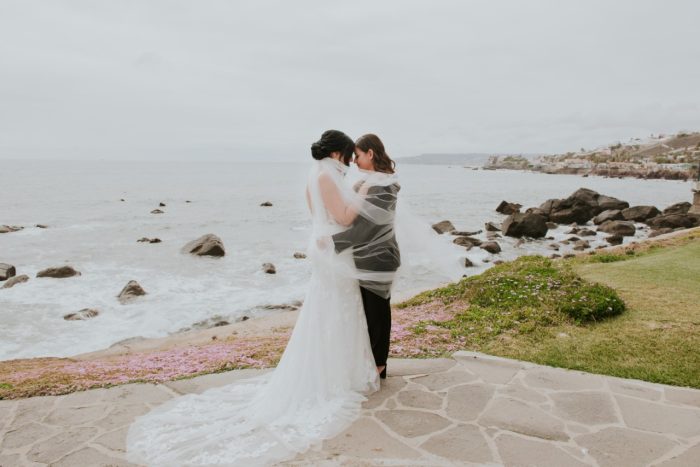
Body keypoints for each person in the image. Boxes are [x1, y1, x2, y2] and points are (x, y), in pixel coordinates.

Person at [126, 130, 381, 466]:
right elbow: (344, 218)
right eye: (348, 156)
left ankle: (337, 371)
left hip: (325, 252)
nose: (349, 162)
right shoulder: (327, 177)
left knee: (327, 314)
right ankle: (335, 377)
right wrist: (364, 192)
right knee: (336, 312)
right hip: (333, 256)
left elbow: (319, 220)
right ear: (338, 153)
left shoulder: (313, 177)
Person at [332, 134, 400, 379]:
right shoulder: (376, 181)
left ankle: (379, 365)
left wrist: (332, 242)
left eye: (358, 156)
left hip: (378, 257)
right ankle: (376, 363)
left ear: (370, 154)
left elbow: (368, 227)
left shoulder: (382, 184)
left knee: (377, 312)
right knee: (374, 310)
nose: (355, 162)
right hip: (374, 255)